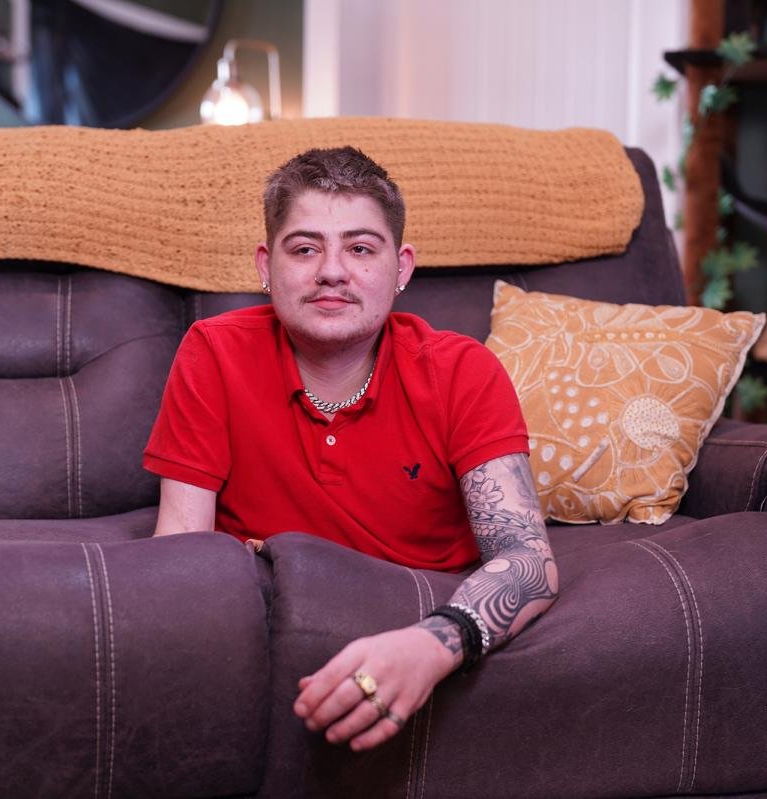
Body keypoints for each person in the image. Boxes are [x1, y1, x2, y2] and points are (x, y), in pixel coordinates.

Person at [143, 146, 558, 752]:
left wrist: (430, 645)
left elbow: (528, 561)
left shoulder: (462, 370)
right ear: (265, 265)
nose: (332, 272)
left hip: (426, 613)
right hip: (272, 617)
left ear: (401, 268)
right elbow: (179, 549)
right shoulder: (213, 351)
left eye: (361, 249)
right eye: (304, 249)